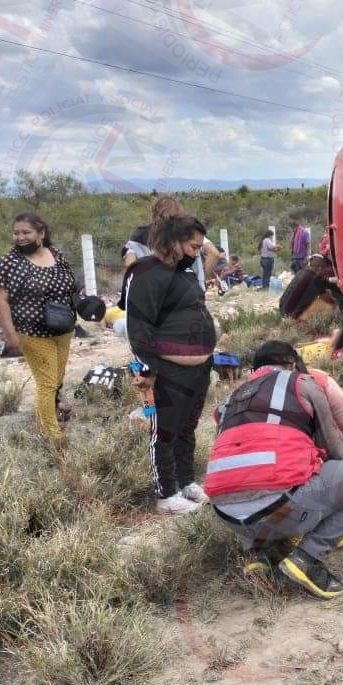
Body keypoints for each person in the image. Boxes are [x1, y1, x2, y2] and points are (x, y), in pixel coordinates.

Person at [204, 340, 343, 600]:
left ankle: (261, 554)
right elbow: (334, 450)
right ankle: (307, 558)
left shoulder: (229, 400)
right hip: (283, 510)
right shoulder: (302, 383)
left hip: (229, 517)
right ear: (292, 364)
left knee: (249, 481)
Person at [127, 214, 217, 514]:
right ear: (172, 242)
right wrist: (146, 370)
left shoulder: (185, 271)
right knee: (164, 430)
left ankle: (186, 481)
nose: (196, 253)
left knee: (186, 427)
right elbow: (138, 328)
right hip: (166, 370)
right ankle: (166, 494)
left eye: (199, 247)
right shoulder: (145, 273)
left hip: (198, 369)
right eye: (192, 246)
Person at [0, 212, 80, 445]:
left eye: (26, 232)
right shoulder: (8, 262)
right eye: (17, 233)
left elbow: (71, 287)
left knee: (56, 381)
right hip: (32, 332)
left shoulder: (56, 255)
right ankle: (52, 435)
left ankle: (44, 421)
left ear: (41, 234)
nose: (20, 237)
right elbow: (0, 300)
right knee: (47, 383)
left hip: (63, 329)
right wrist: (10, 335)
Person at [278, 254, 338, 321]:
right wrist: (338, 305)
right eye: (327, 270)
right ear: (320, 268)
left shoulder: (302, 272)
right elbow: (328, 300)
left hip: (282, 311)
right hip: (293, 317)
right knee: (327, 303)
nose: (328, 274)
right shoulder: (316, 279)